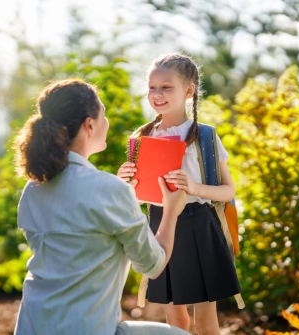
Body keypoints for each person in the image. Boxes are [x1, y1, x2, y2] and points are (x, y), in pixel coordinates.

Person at [13, 78, 191, 335]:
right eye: (103, 115)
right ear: (90, 124)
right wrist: (172, 211)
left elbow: (79, 226)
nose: (106, 123)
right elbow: (153, 265)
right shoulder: (108, 190)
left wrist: (126, 199)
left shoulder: (33, 189)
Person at [117, 53, 241, 335]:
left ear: (189, 90)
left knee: (206, 320)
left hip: (200, 225)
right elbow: (136, 196)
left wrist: (194, 188)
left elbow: (228, 190)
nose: (157, 94)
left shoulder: (205, 136)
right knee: (175, 319)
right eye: (152, 87)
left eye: (166, 86)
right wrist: (124, 182)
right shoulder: (142, 136)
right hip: (161, 225)